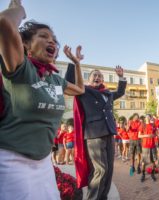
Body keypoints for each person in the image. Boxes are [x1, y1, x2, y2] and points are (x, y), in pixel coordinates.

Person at [0, 1, 85, 199]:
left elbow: (80, 89)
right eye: (43, 36)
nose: (52, 42)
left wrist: (77, 63)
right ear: (26, 44)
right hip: (12, 161)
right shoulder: (20, 69)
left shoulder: (55, 78)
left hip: (45, 162)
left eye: (54, 39)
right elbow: (4, 22)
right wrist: (19, 9)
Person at [72, 65, 126, 200]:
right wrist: (75, 62)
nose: (97, 77)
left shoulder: (107, 93)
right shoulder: (84, 91)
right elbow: (71, 83)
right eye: (94, 75)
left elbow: (119, 92)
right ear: (89, 79)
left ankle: (102, 197)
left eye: (100, 76)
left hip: (109, 132)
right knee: (100, 170)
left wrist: (121, 77)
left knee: (108, 171)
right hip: (94, 135)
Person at [138, 114, 158, 182]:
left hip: (152, 146)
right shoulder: (142, 125)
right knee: (144, 162)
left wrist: (154, 135)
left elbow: (155, 134)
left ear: (151, 118)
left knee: (153, 161)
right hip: (145, 146)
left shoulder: (153, 125)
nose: (148, 118)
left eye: (149, 117)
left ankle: (152, 174)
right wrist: (147, 135)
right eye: (146, 117)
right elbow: (139, 136)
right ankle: (143, 174)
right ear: (145, 118)